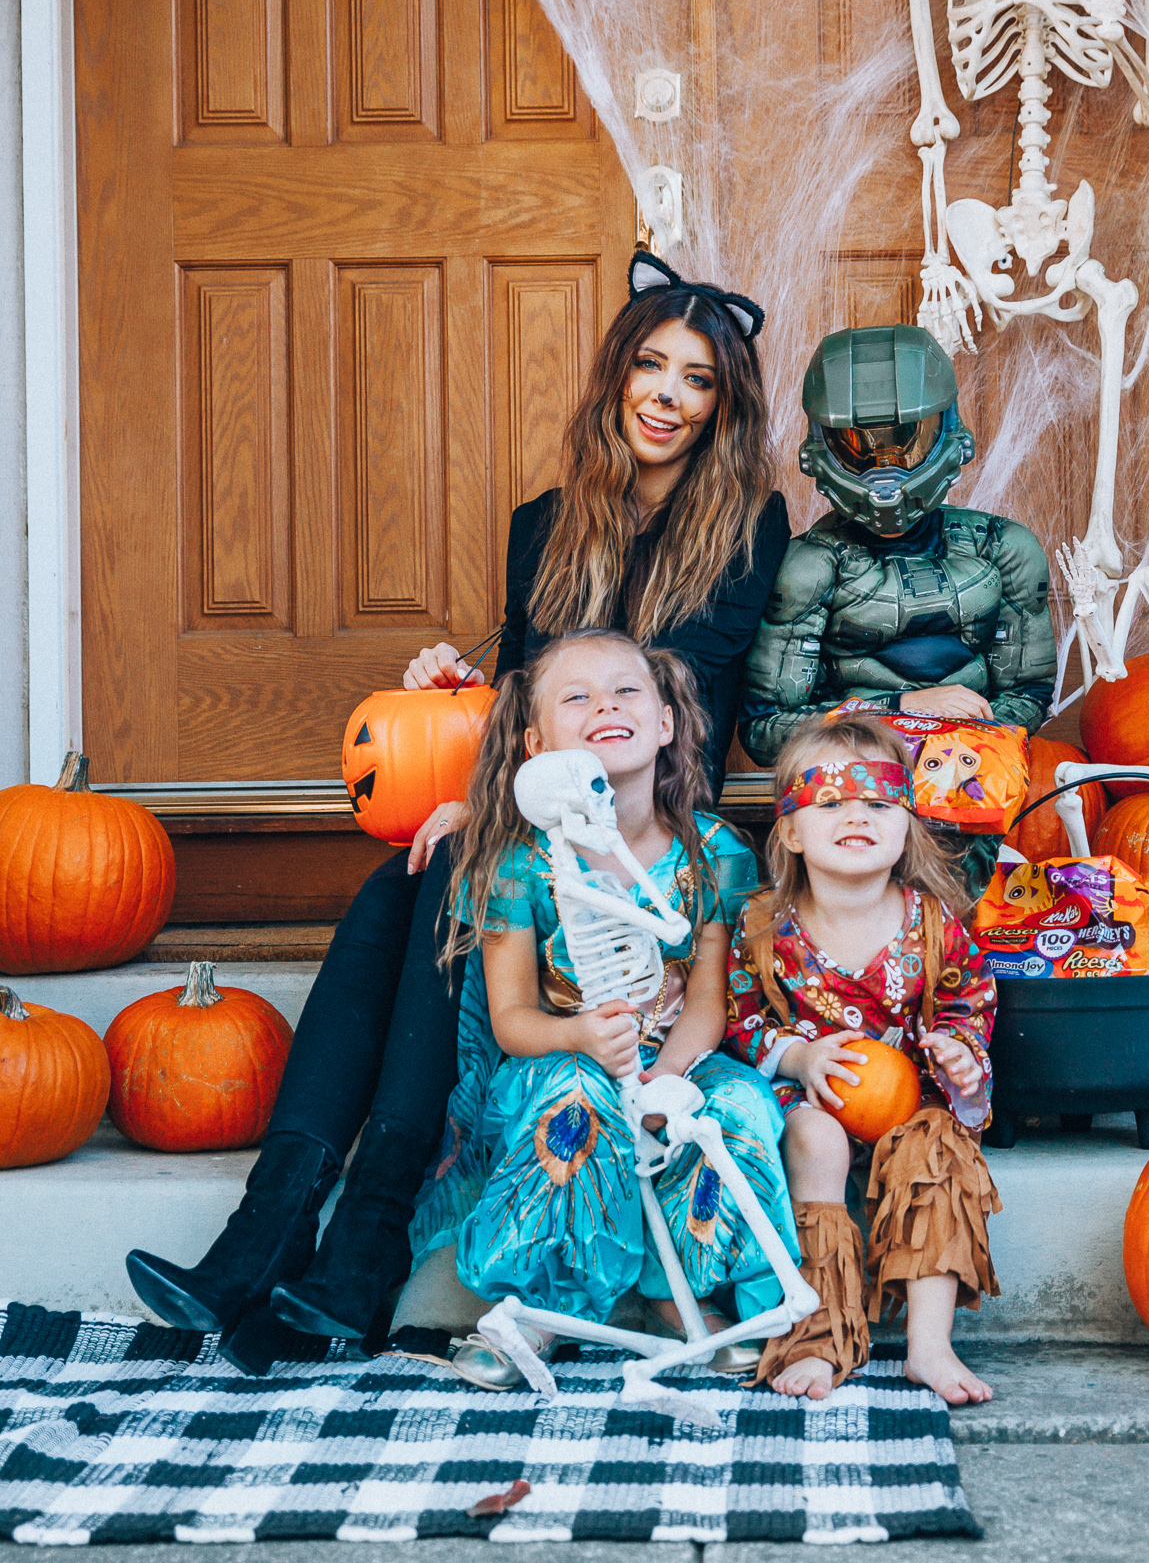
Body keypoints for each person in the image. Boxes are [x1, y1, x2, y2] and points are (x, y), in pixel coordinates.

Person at [125, 253, 789, 1373]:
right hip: (536, 795)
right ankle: (275, 1232)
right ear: (614, 380)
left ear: (724, 405)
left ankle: (353, 1248)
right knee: (398, 885)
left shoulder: (746, 524)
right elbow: (528, 696)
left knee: (451, 879)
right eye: (648, 366)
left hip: (643, 818)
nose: (667, 395)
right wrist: (466, 731)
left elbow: (649, 691)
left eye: (697, 378)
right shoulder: (545, 522)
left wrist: (510, 767)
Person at [410, 628, 797, 1390]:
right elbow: (512, 1018)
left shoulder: (714, 850)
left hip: (678, 1053)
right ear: (534, 743)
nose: (603, 707)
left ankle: (679, 1292)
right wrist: (582, 1037)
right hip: (558, 1059)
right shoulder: (516, 862)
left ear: (665, 723)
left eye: (625, 692)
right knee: (576, 1100)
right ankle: (538, 1306)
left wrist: (665, 1077)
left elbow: (708, 1003)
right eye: (576, 698)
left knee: (738, 1106)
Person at [725, 713, 1000, 1407]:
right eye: (830, 803)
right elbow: (737, 1018)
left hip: (910, 1100)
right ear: (788, 829)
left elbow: (967, 1003)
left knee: (937, 1145)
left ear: (905, 822)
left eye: (878, 803)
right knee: (813, 1138)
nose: (857, 816)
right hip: (809, 1102)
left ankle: (929, 1347)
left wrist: (960, 1057)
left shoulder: (933, 923)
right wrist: (795, 1056)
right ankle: (818, 1336)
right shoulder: (764, 930)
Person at [738, 325, 1055, 766]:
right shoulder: (811, 567)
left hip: (971, 778)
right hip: (851, 784)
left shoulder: (1003, 549)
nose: (885, 472)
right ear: (818, 449)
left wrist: (953, 758)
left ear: (952, 437)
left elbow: (1029, 693)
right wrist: (901, 714)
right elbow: (766, 729)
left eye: (907, 443)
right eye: (857, 447)